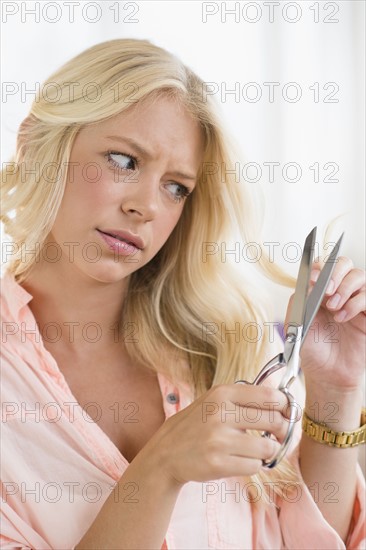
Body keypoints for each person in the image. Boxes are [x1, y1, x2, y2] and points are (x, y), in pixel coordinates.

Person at [0, 38, 365, 550]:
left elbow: (306, 539)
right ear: (37, 144)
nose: (146, 206)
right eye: (124, 160)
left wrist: (339, 392)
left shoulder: (226, 350)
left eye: (176, 187)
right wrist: (161, 467)